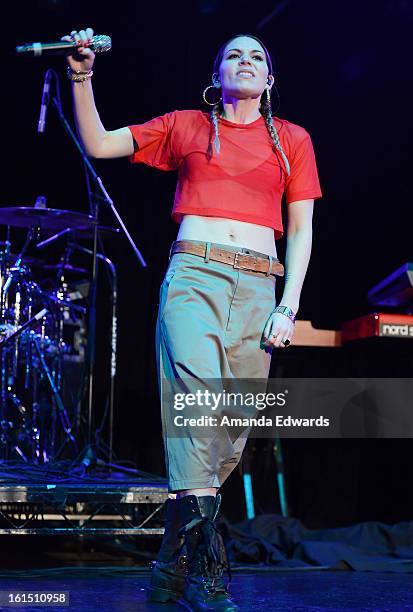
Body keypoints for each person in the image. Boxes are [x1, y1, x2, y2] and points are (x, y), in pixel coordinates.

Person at [62, 27, 322, 611]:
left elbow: (301, 227)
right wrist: (82, 75)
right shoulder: (187, 126)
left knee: (231, 432)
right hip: (195, 277)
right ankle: (208, 574)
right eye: (234, 54)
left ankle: (167, 561)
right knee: (196, 405)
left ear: (270, 79)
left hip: (261, 286)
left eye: (257, 56)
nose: (246, 61)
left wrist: (290, 305)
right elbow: (101, 143)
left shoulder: (294, 141)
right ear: (218, 75)